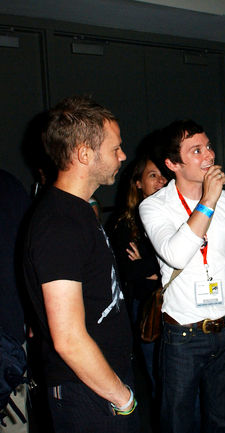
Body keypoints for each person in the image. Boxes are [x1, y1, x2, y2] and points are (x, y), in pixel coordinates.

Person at [22, 96, 138, 433]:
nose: (123, 156)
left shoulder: (79, 210)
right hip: (87, 391)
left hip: (102, 381)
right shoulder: (59, 224)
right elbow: (69, 338)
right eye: (116, 148)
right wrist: (122, 398)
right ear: (84, 154)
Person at [139, 119, 225, 433]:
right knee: (177, 422)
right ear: (172, 163)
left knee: (221, 421)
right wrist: (208, 201)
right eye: (197, 150)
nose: (209, 156)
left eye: (209, 147)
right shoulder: (154, 207)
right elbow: (175, 254)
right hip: (182, 337)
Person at [109, 156, 167, 394]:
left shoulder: (178, 216)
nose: (161, 180)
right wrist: (155, 268)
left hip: (180, 303)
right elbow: (129, 270)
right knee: (158, 376)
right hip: (146, 306)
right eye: (153, 175)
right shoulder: (124, 223)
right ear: (138, 183)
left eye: (163, 175)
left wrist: (153, 267)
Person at [0, 169, 31, 432]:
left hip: (9, 334)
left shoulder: (8, 187)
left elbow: (25, 258)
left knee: (13, 420)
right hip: (11, 330)